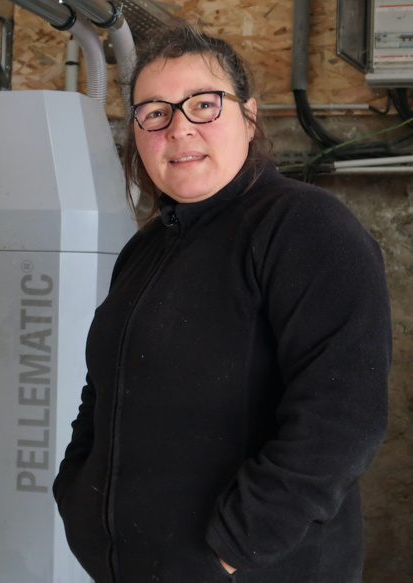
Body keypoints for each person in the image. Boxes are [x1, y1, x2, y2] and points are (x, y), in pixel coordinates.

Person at [53, 23, 391, 583]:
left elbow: (342, 416)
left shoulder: (305, 228)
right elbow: (102, 390)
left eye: (203, 105)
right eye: (155, 113)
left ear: (249, 115)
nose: (179, 129)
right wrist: (78, 497)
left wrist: (232, 550)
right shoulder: (146, 247)